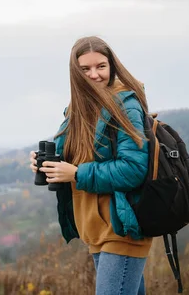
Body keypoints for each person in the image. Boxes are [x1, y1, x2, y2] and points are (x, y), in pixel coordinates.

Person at [30, 36, 152, 295]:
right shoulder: (76, 109)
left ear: (112, 67)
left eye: (101, 66)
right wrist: (47, 166)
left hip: (121, 227)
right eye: (85, 69)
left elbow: (133, 169)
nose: (94, 75)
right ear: (75, 73)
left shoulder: (125, 104)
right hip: (94, 228)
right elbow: (73, 159)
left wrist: (75, 173)